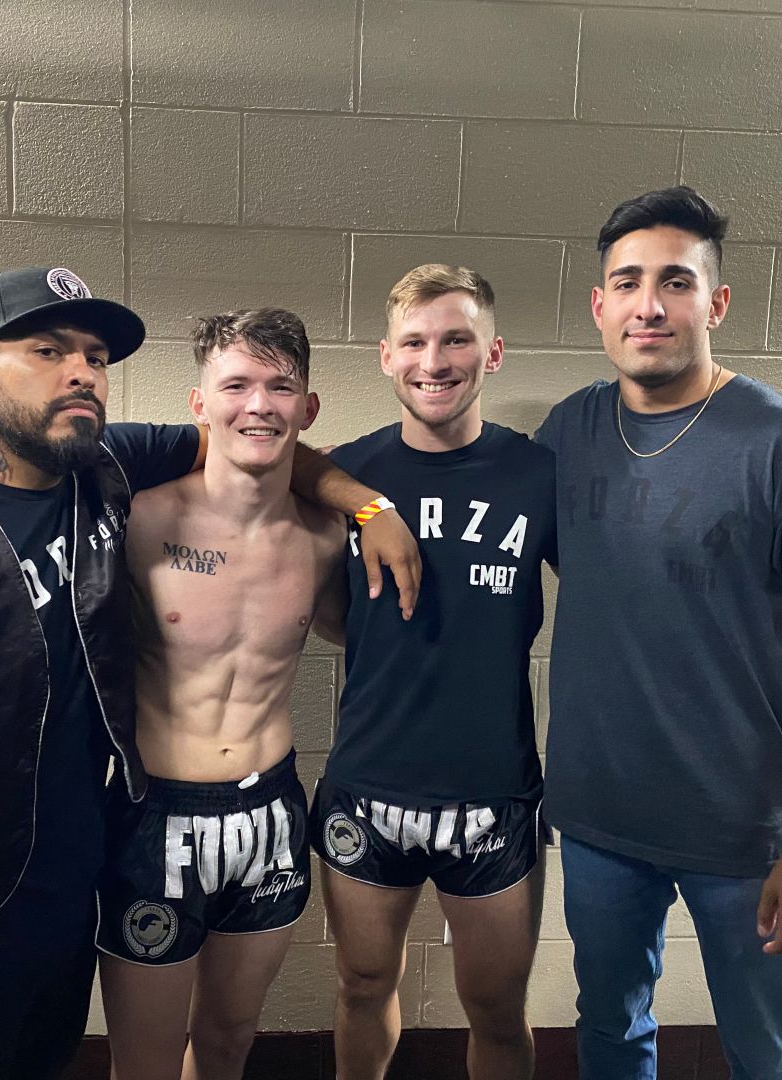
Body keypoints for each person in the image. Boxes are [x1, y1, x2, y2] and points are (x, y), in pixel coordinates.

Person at [0, 269, 420, 1080]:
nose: (81, 371)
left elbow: (262, 446)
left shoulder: (100, 469)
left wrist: (370, 506)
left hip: (70, 866)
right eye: (48, 351)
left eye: (93, 356)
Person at [535, 187, 782, 1080]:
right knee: (609, 1032)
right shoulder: (569, 430)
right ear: (600, 305)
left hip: (742, 829)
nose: (649, 305)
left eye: (676, 282)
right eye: (628, 283)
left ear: (715, 302)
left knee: (767, 1056)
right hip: (599, 818)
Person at [312, 265, 559, 1080]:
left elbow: (609, 600)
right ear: (386, 357)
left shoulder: (538, 474)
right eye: (414, 342)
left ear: (493, 353)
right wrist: (366, 506)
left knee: (496, 1008)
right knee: (361, 987)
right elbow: (326, 600)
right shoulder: (349, 474)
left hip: (492, 794)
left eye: (456, 339)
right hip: (369, 784)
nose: (434, 360)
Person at [96, 307, 348, 1080]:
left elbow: (367, 638)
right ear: (200, 403)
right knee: (144, 1061)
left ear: (308, 407)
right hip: (156, 815)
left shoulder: (327, 536)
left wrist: (372, 508)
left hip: (269, 813)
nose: (259, 404)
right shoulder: (141, 519)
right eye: (236, 385)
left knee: (230, 1039)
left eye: (281, 387)